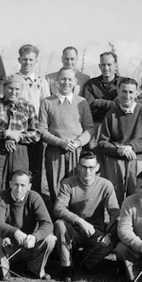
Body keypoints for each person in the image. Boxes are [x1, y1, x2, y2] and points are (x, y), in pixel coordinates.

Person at [0, 74, 40, 235]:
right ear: (4, 88)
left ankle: (18, 232)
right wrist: (5, 134)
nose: (13, 92)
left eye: (17, 89)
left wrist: (17, 136)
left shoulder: (28, 107)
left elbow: (35, 134)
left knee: (19, 190)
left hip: (20, 151)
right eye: (10, 88)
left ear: (21, 90)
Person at [53, 151, 120, 282]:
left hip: (95, 231)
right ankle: (67, 267)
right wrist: (79, 220)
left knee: (107, 245)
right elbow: (58, 208)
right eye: (84, 167)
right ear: (78, 167)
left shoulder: (105, 185)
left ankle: (84, 265)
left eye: (91, 167)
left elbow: (114, 212)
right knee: (60, 224)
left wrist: (109, 234)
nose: (87, 171)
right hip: (73, 230)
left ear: (97, 167)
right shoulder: (67, 184)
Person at [38, 66, 95, 208]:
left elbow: (90, 128)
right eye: (63, 79)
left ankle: (77, 223)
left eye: (70, 79)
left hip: (77, 151)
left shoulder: (81, 102)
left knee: (78, 188)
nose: (66, 82)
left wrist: (77, 142)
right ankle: (59, 223)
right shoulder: (47, 102)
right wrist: (61, 142)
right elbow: (42, 130)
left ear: (75, 82)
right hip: (55, 152)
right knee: (57, 190)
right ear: (56, 81)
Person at [98, 78, 142, 204]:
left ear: (137, 93)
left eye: (131, 92)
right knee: (114, 200)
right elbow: (102, 142)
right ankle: (115, 223)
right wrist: (118, 150)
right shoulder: (111, 114)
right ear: (118, 92)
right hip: (116, 162)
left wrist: (131, 147)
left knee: (139, 198)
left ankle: (137, 224)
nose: (127, 95)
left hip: (137, 160)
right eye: (124, 91)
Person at [0, 170, 56, 280]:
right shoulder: (0, 197)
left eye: (23, 185)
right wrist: (14, 232)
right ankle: (4, 270)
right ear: (10, 184)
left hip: (29, 244)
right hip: (9, 244)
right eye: (15, 185)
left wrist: (35, 237)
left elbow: (47, 223)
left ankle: (36, 268)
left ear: (29, 186)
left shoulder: (34, 197)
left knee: (50, 239)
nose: (19, 189)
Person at [15, 44, 51, 194]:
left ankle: (33, 200)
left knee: (35, 168)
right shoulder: (13, 80)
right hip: (18, 131)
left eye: (31, 60)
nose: (27, 63)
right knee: (18, 168)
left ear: (36, 61)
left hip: (35, 132)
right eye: (24, 59)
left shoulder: (42, 82)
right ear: (19, 60)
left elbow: (46, 105)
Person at [82, 52, 123, 157]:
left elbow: (122, 105)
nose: (106, 68)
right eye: (103, 64)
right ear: (99, 66)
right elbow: (89, 104)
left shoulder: (123, 83)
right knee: (94, 157)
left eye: (109, 64)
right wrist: (112, 103)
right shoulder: (91, 84)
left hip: (117, 127)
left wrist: (98, 102)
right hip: (96, 127)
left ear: (116, 65)